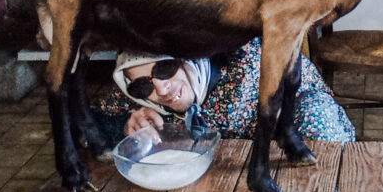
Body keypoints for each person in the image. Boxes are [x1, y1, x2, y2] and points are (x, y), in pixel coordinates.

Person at [94, 37, 355, 143]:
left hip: (293, 146)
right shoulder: (144, 100)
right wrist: (124, 126)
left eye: (165, 69)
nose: (161, 90)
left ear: (188, 57)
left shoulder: (247, 59)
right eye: (142, 85)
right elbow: (86, 121)